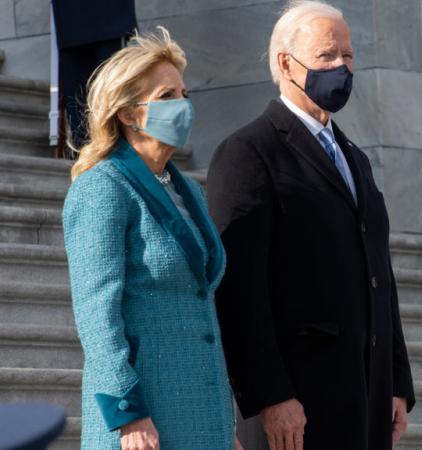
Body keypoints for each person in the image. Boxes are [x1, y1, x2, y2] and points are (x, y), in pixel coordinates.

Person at [206, 1, 415, 450]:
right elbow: (238, 290)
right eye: (327, 56)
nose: (342, 67)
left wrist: (396, 380)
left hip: (367, 396)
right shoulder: (249, 152)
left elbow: (380, 274)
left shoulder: (353, 157)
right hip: (296, 405)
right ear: (286, 63)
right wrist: (270, 395)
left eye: (349, 56)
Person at [62, 28, 242, 450]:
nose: (183, 106)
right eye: (166, 97)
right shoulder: (102, 188)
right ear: (127, 113)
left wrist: (220, 422)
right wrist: (128, 413)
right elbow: (96, 314)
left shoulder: (189, 192)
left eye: (184, 92)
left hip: (201, 415)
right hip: (144, 423)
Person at [52, 0, 138, 149]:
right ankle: (86, 160)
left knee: (114, 96)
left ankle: (119, 153)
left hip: (109, 16)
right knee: (78, 103)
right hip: (69, 17)